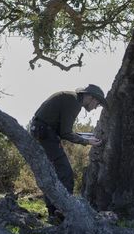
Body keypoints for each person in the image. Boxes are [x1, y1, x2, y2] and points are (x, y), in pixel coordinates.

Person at [29, 84, 106, 223]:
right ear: (90, 97)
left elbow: (63, 130)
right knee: (65, 173)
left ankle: (53, 212)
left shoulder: (71, 98)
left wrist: (85, 138)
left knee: (52, 174)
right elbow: (65, 132)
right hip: (45, 133)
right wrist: (87, 142)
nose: (96, 107)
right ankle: (64, 211)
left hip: (41, 131)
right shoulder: (74, 102)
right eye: (97, 103)